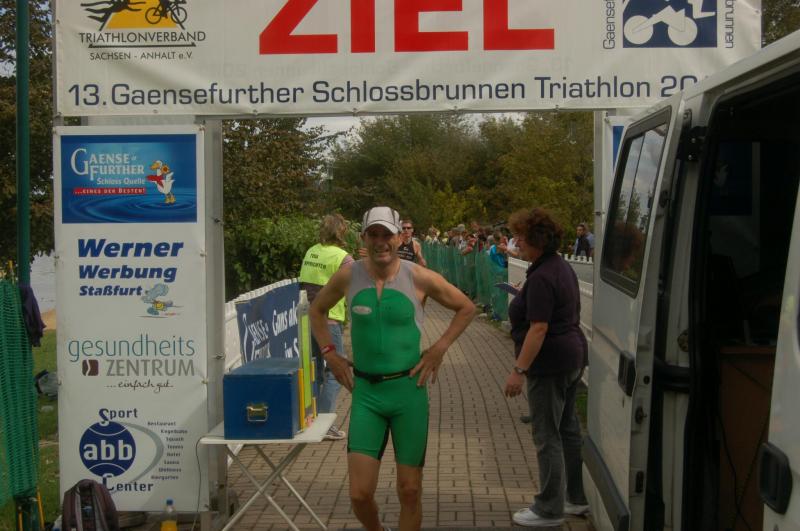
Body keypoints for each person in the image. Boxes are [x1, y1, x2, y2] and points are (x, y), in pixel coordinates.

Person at [310, 206, 475, 531]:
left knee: (409, 490)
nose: (380, 241)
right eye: (374, 234)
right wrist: (330, 354)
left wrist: (439, 349)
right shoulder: (349, 275)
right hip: (367, 395)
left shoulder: (418, 277)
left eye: (387, 234)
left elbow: (466, 307)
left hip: (408, 393)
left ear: (400, 237)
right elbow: (317, 310)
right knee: (359, 494)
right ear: (364, 238)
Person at [503, 208, 589, 527]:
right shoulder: (559, 267)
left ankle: (549, 509)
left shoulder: (541, 276)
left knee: (546, 434)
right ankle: (575, 497)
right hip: (572, 357)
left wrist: (519, 371)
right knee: (567, 429)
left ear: (536, 240)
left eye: (521, 237)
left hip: (549, 364)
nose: (517, 242)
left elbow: (539, 328)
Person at [298, 214, 353, 441]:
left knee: (315, 370)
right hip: (330, 321)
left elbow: (303, 284)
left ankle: (311, 419)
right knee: (335, 371)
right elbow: (356, 288)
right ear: (342, 232)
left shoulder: (311, 251)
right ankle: (324, 423)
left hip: (307, 320)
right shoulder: (343, 258)